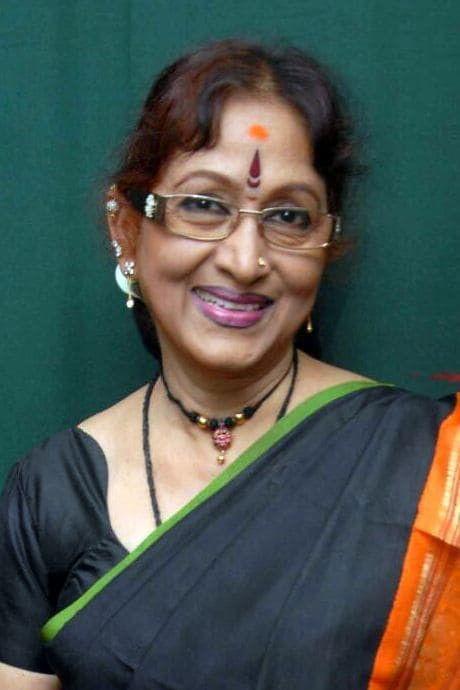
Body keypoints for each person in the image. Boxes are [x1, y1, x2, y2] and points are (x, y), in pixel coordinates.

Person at [0, 38, 458, 690]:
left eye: (289, 216)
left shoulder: (429, 460)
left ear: (325, 243)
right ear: (127, 228)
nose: (245, 261)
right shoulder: (50, 493)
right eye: (204, 205)